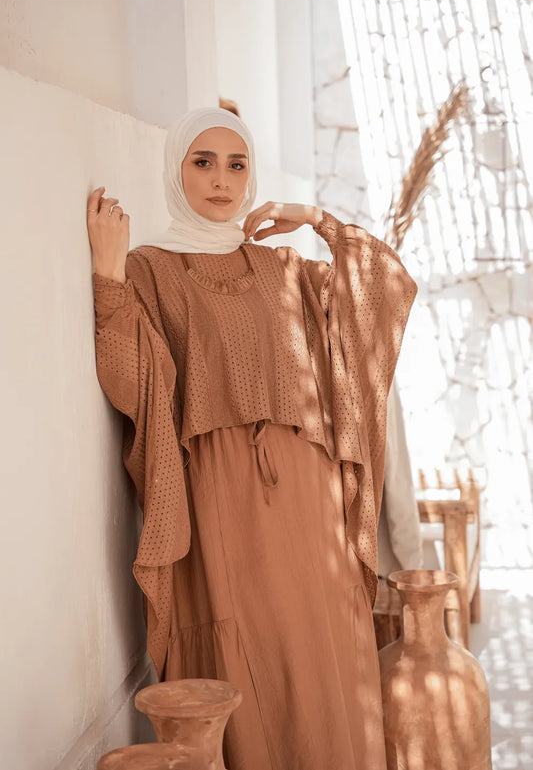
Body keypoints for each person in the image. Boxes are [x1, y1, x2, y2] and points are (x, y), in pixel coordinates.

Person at [88, 107, 417, 770]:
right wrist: (107, 274)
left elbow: (382, 288)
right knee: (248, 645)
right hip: (218, 493)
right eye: (201, 162)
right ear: (175, 170)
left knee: (324, 641)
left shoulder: (285, 267)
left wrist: (319, 220)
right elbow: (133, 381)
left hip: (309, 489)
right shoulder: (151, 268)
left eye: (236, 164)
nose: (220, 180)